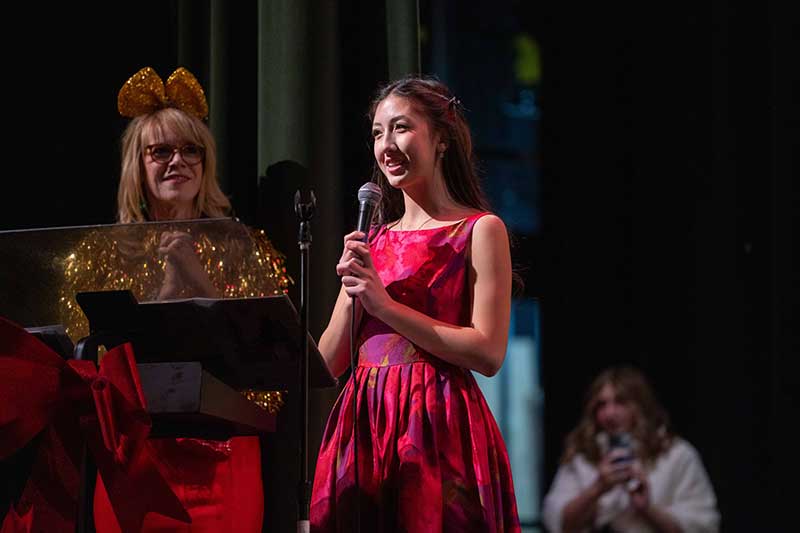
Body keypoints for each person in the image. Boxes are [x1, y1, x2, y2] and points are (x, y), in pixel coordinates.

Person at [81, 66, 289, 532]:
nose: (178, 161)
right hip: (135, 466)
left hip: (223, 464)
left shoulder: (243, 247)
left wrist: (198, 281)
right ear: (138, 162)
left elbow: (269, 377)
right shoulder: (102, 251)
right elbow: (81, 368)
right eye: (161, 151)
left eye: (190, 149)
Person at [310, 75, 521, 532]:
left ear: (441, 139)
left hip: (438, 425)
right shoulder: (374, 240)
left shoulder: (479, 230)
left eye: (401, 127)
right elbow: (327, 363)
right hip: (365, 425)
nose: (387, 144)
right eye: (378, 133)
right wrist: (353, 294)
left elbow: (487, 352)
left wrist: (384, 306)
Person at [541, 366, 720, 533]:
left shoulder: (676, 454)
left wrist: (646, 509)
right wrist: (598, 487)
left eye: (620, 402)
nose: (609, 414)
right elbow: (559, 524)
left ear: (641, 405)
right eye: (601, 405)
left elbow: (703, 526)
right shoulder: (584, 456)